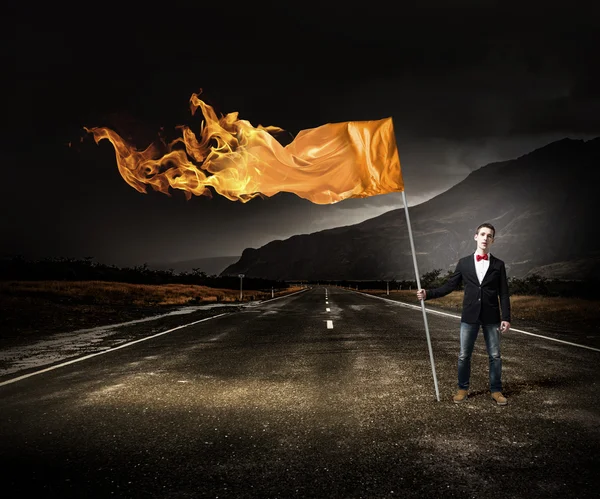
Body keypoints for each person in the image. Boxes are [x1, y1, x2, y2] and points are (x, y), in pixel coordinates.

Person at [416, 223, 511, 405]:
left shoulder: (499, 265)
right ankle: (462, 389)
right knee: (463, 355)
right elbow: (449, 286)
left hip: (492, 317)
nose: (485, 238)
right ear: (475, 237)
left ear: (493, 240)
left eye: (489, 235)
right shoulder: (464, 263)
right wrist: (428, 293)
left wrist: (506, 317)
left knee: (495, 355)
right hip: (469, 316)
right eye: (482, 234)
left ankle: (496, 391)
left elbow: (504, 293)